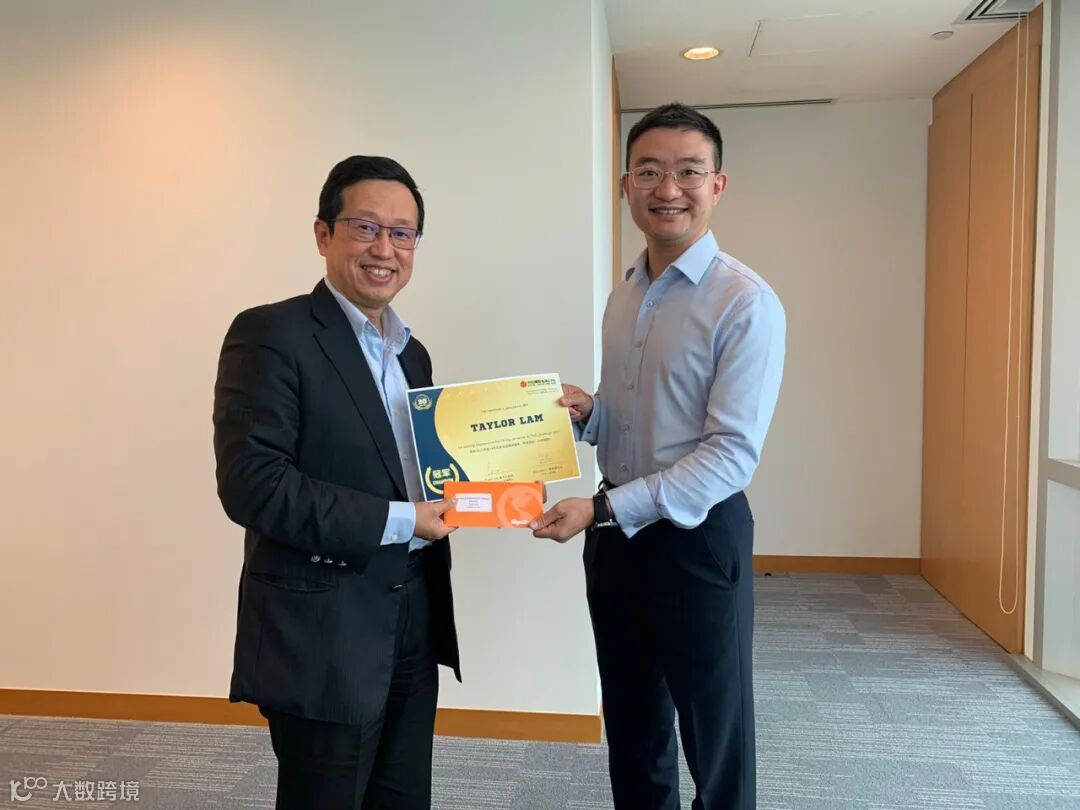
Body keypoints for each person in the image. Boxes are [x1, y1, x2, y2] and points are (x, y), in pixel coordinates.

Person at [531, 103, 786, 809]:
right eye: (648, 171)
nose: (667, 188)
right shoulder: (626, 295)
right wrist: (592, 415)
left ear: (718, 185)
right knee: (634, 727)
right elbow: (639, 420)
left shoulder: (744, 302)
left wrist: (603, 508)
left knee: (716, 736)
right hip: (616, 541)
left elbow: (729, 455)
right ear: (626, 186)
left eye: (688, 171)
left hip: (696, 540)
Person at [213, 155, 460, 810]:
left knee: (402, 797)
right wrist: (404, 519)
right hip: (322, 627)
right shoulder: (272, 333)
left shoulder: (412, 354)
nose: (385, 249)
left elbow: (418, 470)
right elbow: (253, 484)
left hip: (413, 611)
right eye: (366, 227)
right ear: (324, 234)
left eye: (402, 233)